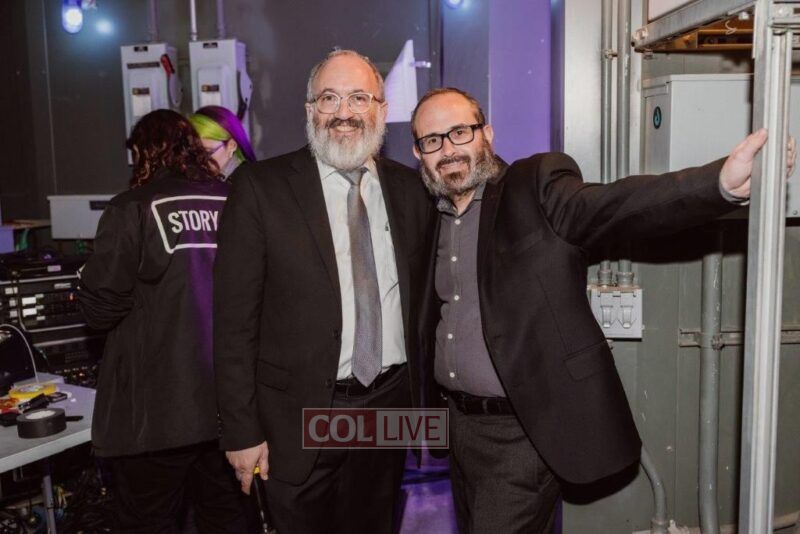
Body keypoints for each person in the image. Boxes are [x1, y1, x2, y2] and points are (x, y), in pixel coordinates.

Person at [410, 87, 796, 533]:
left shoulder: (534, 186)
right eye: (432, 140)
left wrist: (719, 183)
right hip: (460, 429)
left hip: (524, 431)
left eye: (460, 132)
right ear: (419, 153)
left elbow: (616, 204)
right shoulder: (432, 216)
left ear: (487, 133)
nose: (448, 149)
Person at [213, 50, 434, 534]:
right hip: (297, 417)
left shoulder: (412, 190)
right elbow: (233, 325)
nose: (343, 112)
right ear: (310, 110)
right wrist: (241, 432)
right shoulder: (261, 188)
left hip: (387, 405)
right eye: (329, 98)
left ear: (381, 110)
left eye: (359, 98)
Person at [78, 109, 246, 533]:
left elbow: (100, 309)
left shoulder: (131, 208)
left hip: (156, 414)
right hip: (229, 408)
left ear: (145, 153)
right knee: (226, 517)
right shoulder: (235, 201)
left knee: (147, 522)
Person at [189, 105, 257, 178]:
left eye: (208, 152)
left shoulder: (245, 180)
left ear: (232, 146)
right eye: (193, 152)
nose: (198, 160)